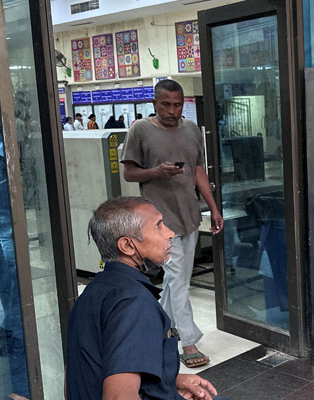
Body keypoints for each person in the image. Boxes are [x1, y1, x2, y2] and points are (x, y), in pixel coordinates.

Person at [66, 197, 218, 400]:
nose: (170, 233)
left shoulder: (93, 292)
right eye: (158, 226)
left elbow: (79, 378)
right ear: (127, 246)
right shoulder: (134, 303)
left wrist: (169, 380)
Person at [121, 79, 224, 368]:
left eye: (177, 104)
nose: (171, 110)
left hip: (189, 215)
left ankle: (156, 329)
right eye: (165, 104)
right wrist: (156, 171)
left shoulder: (192, 130)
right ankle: (187, 340)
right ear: (154, 103)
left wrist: (213, 209)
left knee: (176, 281)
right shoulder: (140, 130)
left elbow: (197, 172)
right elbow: (129, 173)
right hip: (159, 220)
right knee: (178, 280)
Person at [0, 87, 30, 399]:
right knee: (1, 284)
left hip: (9, 226)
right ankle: (11, 325)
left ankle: (19, 338)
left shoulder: (13, 139)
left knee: (15, 285)